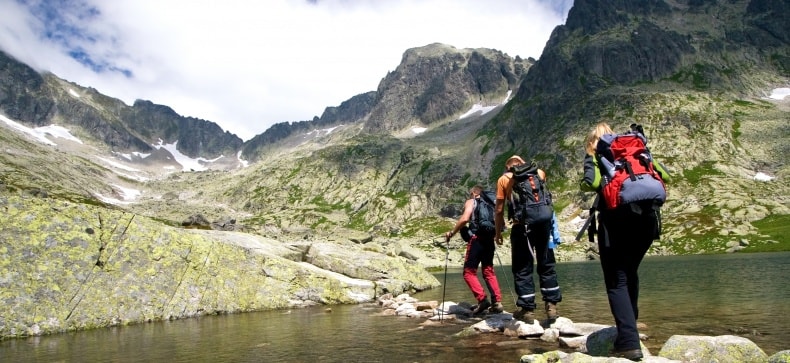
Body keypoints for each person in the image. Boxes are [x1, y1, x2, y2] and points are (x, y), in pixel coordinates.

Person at [580, 122, 671, 361]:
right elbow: (665, 176)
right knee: (630, 271)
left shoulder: (598, 154)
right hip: (648, 220)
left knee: (616, 280)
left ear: (593, 142)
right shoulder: (637, 150)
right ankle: (630, 324)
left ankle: (629, 343)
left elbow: (590, 182)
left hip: (617, 220)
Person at [494, 155, 562, 324]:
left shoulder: (504, 179)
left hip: (522, 226)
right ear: (522, 163)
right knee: (546, 262)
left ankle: (527, 309)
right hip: (544, 224)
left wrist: (498, 232)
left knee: (522, 266)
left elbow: (499, 209)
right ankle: (551, 305)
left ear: (508, 166)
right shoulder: (539, 173)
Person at [445, 185, 503, 314]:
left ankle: (483, 300)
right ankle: (497, 302)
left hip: (476, 239)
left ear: (473, 193)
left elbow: (465, 219)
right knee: (488, 271)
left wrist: (452, 232)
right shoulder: (491, 203)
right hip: (489, 239)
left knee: (468, 272)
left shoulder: (472, 201)